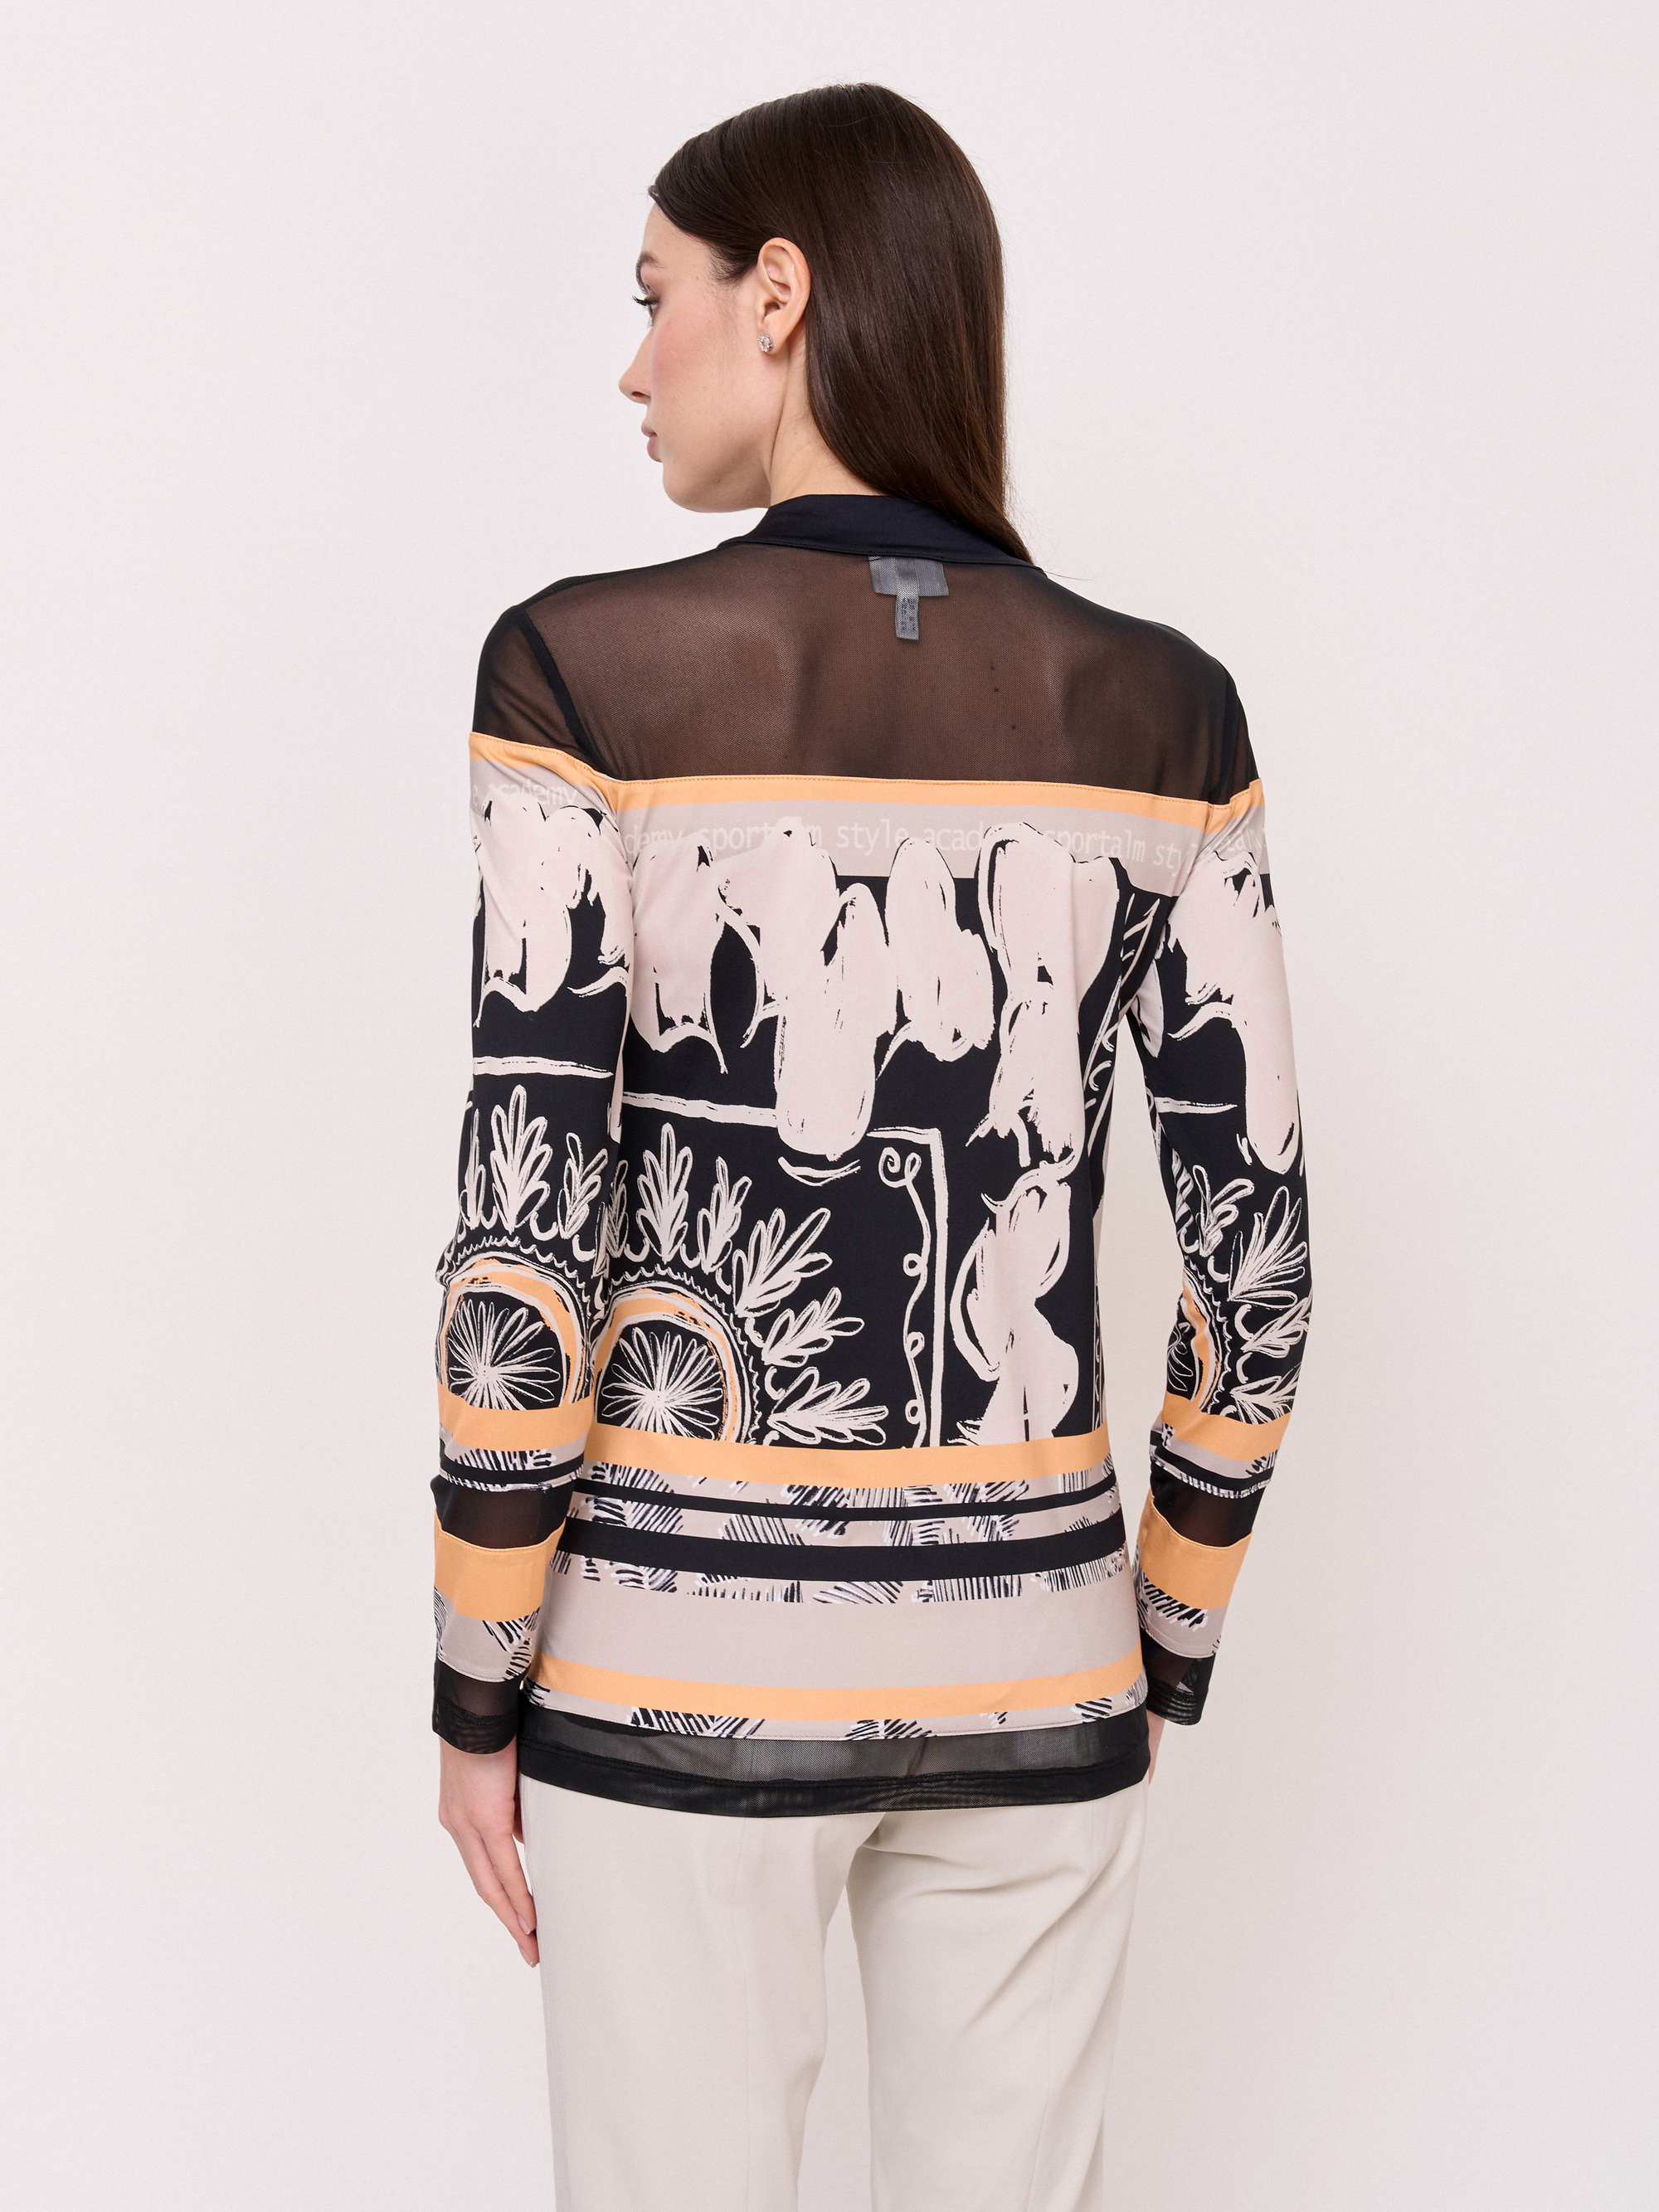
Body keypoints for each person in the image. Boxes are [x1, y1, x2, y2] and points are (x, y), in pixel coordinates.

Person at [431, 82, 1311, 2212]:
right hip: (1038, 1666)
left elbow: (527, 1232)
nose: (633, 363)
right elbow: (1257, 1266)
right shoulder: (1166, 713)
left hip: (672, 1674)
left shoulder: (580, 675)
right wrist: (1159, 1635)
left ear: (781, 293)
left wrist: (477, 1675)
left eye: (653, 296)